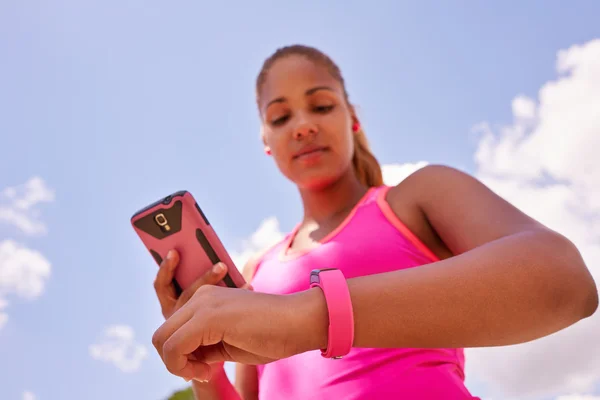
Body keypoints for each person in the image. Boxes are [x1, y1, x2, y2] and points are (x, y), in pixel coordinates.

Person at [151, 44, 598, 400]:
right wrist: (202, 365)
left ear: (354, 119)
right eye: (281, 117)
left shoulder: (419, 197)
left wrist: (304, 318)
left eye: (321, 106)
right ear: (266, 142)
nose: (302, 126)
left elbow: (565, 282)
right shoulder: (256, 272)